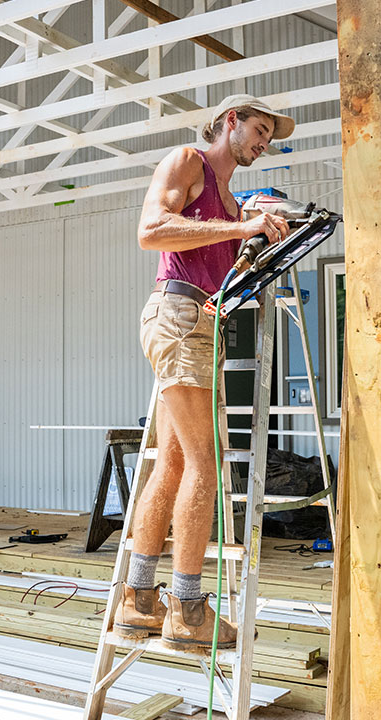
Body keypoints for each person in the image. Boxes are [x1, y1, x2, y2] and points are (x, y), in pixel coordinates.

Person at [115, 94, 295, 650]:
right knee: (206, 463)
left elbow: (215, 254)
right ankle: (189, 609)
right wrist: (241, 229)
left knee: (172, 461)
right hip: (177, 314)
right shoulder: (187, 160)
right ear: (230, 121)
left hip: (199, 318)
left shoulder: (228, 203)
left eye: (270, 137)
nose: (264, 143)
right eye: (259, 129)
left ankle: (139, 600)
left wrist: (254, 236)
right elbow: (152, 230)